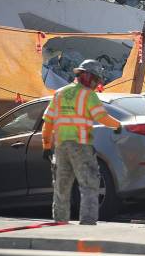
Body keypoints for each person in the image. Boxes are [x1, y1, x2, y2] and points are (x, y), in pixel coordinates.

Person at [41, 59, 122, 225]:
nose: (96, 84)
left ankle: (60, 221)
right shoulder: (88, 95)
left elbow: (48, 123)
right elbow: (102, 117)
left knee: (61, 186)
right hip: (81, 146)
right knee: (89, 184)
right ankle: (87, 221)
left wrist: (46, 146)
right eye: (96, 80)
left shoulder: (60, 93)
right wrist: (118, 125)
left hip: (61, 147)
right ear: (88, 76)